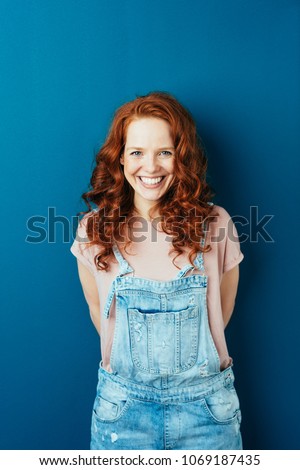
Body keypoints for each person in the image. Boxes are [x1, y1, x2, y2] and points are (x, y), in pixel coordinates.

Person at [70, 91, 244, 450]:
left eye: (165, 152)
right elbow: (97, 314)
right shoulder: (93, 231)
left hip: (208, 413)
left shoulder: (216, 225)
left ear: (182, 158)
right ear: (119, 158)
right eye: (137, 152)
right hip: (122, 413)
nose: (150, 167)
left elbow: (221, 314)